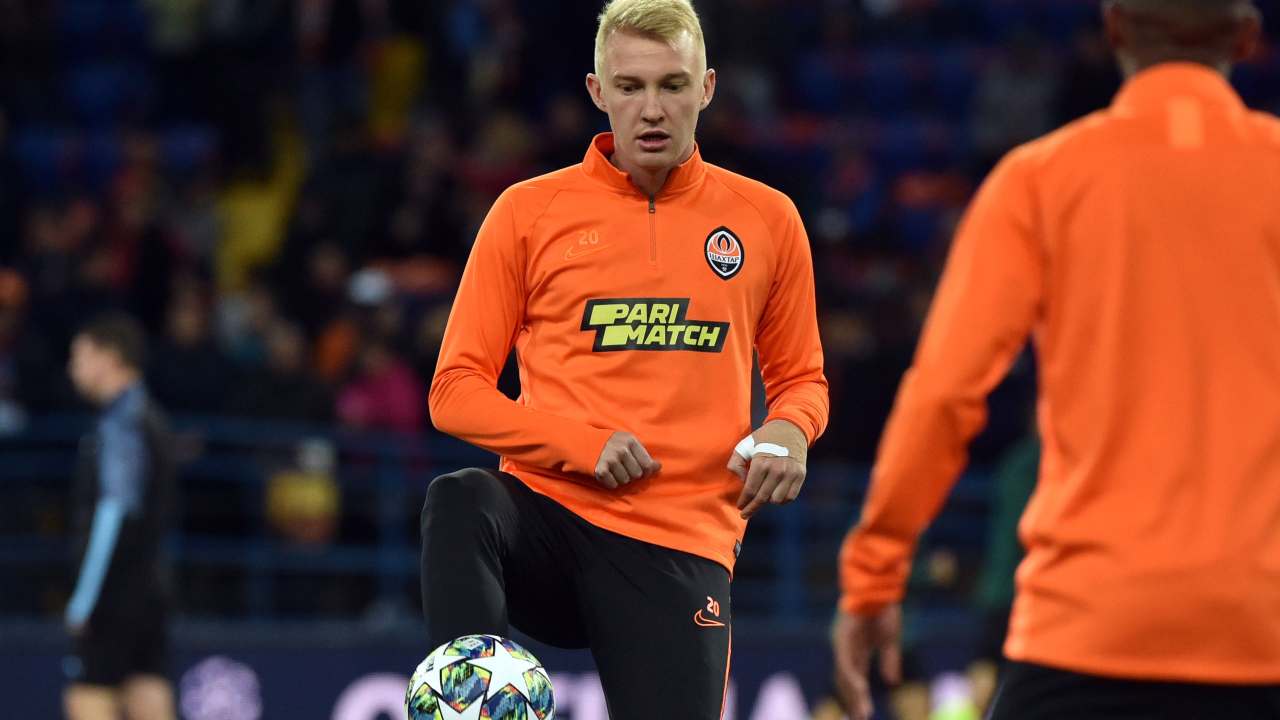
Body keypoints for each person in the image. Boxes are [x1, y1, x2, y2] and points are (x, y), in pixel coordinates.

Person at [831, 1, 1280, 719]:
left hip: (1088, 634)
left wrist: (874, 579)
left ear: (1114, 32)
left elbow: (943, 394)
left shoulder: (1040, 180)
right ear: (1248, 37)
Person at [420, 0, 828, 717]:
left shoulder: (768, 219)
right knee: (460, 500)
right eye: (630, 87)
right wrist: (582, 445)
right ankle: (477, 707)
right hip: (549, 517)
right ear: (596, 92)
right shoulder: (526, 212)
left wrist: (791, 431)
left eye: (673, 85)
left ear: (706, 89)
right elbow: (454, 390)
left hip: (680, 543)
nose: (652, 109)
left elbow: (801, 380)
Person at [64, 313, 177, 720]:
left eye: (79, 356)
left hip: (114, 592)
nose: (72, 368)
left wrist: (84, 598)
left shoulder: (121, 424)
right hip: (150, 588)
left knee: (87, 698)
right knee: (147, 693)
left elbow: (113, 514)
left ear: (109, 358)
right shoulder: (154, 419)